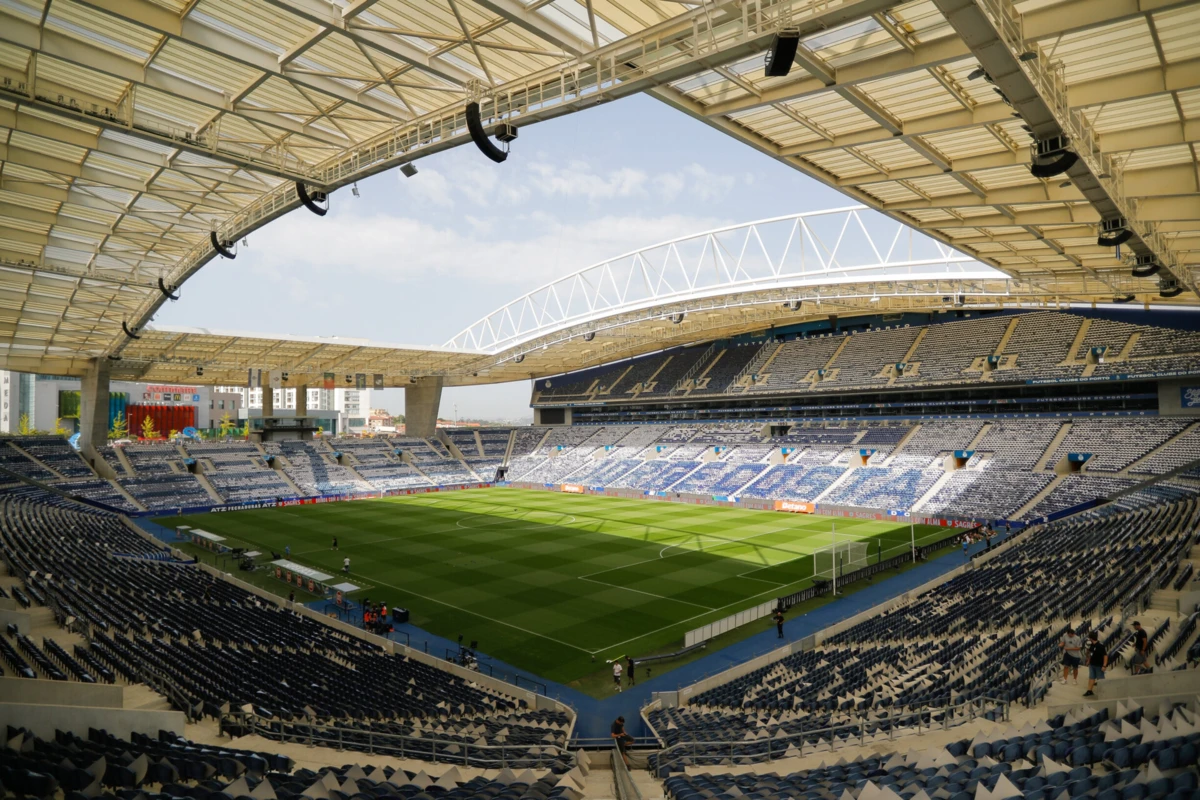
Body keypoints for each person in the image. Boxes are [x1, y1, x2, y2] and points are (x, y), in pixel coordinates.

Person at [1084, 630, 1107, 697]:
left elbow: (1105, 656)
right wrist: (1088, 660)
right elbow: (1091, 654)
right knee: (1091, 677)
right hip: (1092, 664)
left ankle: (1103, 692)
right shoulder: (1091, 645)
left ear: (1091, 638)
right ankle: (1089, 691)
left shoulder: (1100, 646)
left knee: (1100, 679)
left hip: (1099, 665)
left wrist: (1104, 665)